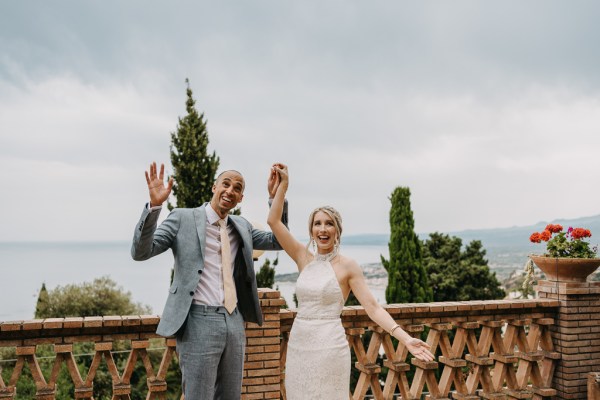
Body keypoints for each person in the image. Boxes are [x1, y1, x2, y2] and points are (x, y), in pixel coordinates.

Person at [267, 164, 434, 400]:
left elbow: (373, 308)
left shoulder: (348, 266)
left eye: (329, 223)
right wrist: (282, 188)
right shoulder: (302, 257)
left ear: (338, 230)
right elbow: (274, 221)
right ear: (311, 230)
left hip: (330, 348)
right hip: (299, 345)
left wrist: (406, 339)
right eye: (317, 223)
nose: (322, 229)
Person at [131, 162, 288, 400]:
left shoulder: (242, 226)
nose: (230, 191)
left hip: (234, 321)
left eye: (237, 188)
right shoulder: (182, 218)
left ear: (240, 198)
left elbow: (279, 241)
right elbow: (141, 252)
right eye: (226, 184)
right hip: (197, 321)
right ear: (214, 187)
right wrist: (154, 207)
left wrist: (276, 198)